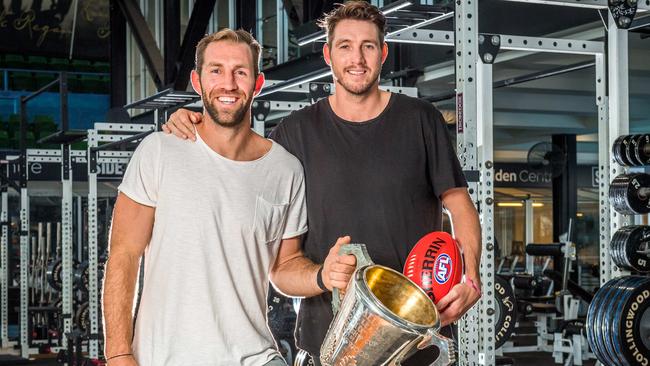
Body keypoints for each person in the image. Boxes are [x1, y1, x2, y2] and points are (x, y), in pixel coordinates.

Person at [162, 1, 482, 364]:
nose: (357, 58)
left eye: (368, 46)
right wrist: (196, 120)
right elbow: (281, 269)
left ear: (384, 54)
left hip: (415, 345)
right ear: (328, 55)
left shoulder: (421, 120)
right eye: (345, 46)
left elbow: (460, 205)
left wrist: (470, 277)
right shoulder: (294, 134)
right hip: (325, 350)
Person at [102, 28, 356, 366]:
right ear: (197, 80)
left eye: (240, 72)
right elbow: (123, 255)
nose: (229, 83)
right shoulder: (159, 151)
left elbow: (283, 267)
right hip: (164, 357)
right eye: (216, 70)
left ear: (257, 83)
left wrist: (323, 275)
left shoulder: (285, 170)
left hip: (255, 357)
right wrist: (119, 353)